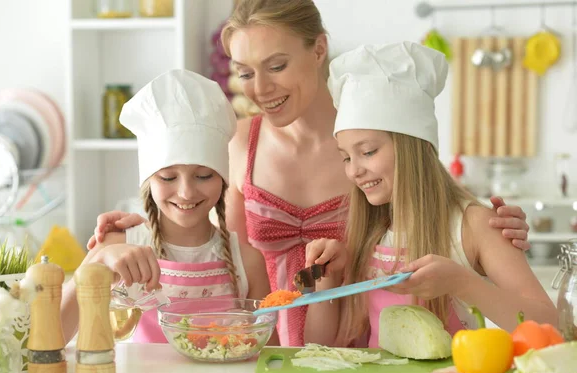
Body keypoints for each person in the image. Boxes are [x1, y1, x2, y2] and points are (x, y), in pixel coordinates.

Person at [85, 0, 531, 347]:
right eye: (245, 73)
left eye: (276, 66)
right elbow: (215, 249)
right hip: (271, 346)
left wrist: (491, 232)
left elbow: (428, 201)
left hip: (366, 343)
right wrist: (125, 237)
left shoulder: (370, 131)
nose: (260, 89)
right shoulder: (238, 143)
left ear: (318, 49)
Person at [303, 42, 558, 348]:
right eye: (346, 157)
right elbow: (316, 349)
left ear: (416, 148)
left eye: (368, 151)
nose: (353, 171)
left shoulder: (474, 225)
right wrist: (327, 279)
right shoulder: (369, 232)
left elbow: (553, 328)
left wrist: (463, 283)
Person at [61, 70, 277, 345]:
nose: (186, 192)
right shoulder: (120, 247)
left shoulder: (246, 262)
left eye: (203, 175)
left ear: (222, 179)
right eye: (168, 177)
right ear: (149, 180)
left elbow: (269, 357)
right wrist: (99, 261)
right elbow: (50, 340)